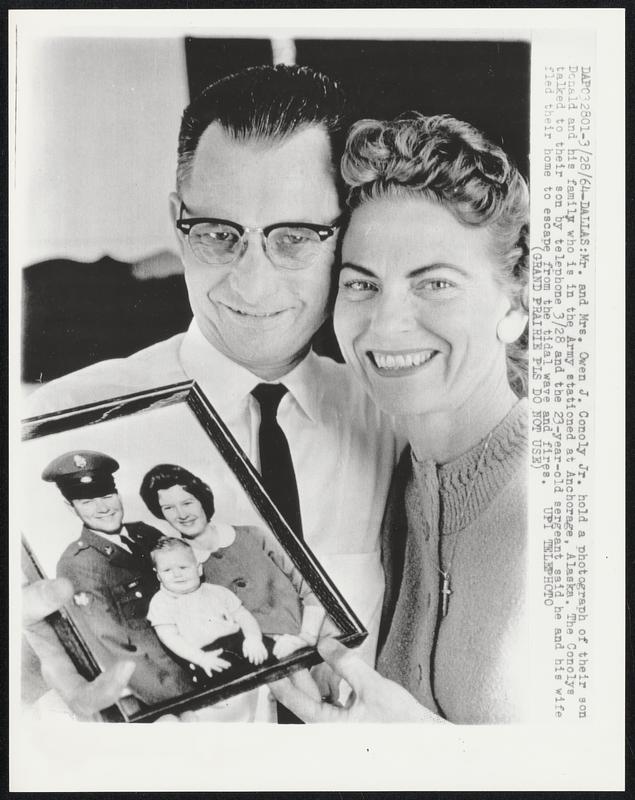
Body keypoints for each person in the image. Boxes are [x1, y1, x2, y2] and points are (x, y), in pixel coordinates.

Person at [24, 65, 397, 718]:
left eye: (294, 239)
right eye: (219, 235)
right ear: (177, 221)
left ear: (344, 234)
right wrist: (36, 699)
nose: (251, 285)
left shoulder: (396, 422)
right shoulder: (53, 426)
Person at [272, 113, 530, 723]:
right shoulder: (386, 480)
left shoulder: (580, 501)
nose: (386, 325)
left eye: (435, 283)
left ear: (516, 305)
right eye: (361, 285)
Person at [41, 450, 192, 705]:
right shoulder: (77, 565)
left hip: (209, 653)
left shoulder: (145, 534)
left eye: (107, 495)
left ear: (118, 494)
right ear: (71, 507)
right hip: (172, 684)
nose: (102, 508)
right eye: (87, 502)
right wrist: (179, 694)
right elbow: (114, 648)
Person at [148, 537, 271, 684]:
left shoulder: (217, 591)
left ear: (199, 568)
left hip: (242, 642)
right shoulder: (161, 602)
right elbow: (169, 638)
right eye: (167, 570)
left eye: (183, 567)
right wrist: (201, 658)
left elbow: (243, 616)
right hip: (208, 655)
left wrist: (253, 639)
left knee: (277, 666)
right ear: (158, 575)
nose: (177, 574)